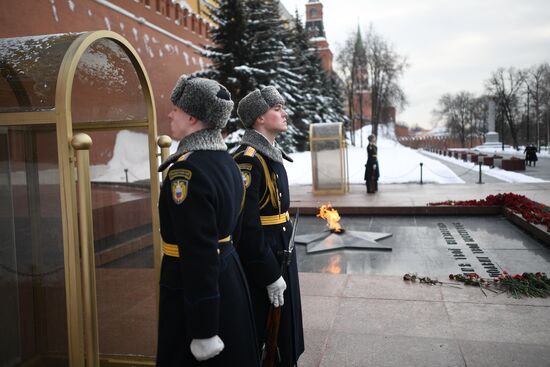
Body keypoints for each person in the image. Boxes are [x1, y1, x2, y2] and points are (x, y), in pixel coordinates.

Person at [156, 76, 259, 366]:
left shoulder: (185, 171)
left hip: (194, 291)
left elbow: (199, 253)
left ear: (192, 117)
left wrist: (203, 329)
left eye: (175, 109)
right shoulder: (225, 161)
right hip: (227, 278)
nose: (170, 114)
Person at [232, 86, 304, 366]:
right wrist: (269, 274)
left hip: (280, 250)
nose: (284, 113)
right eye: (277, 108)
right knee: (267, 334)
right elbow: (246, 228)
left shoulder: (270, 154)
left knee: (285, 332)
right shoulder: (248, 160)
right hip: (265, 258)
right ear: (258, 118)